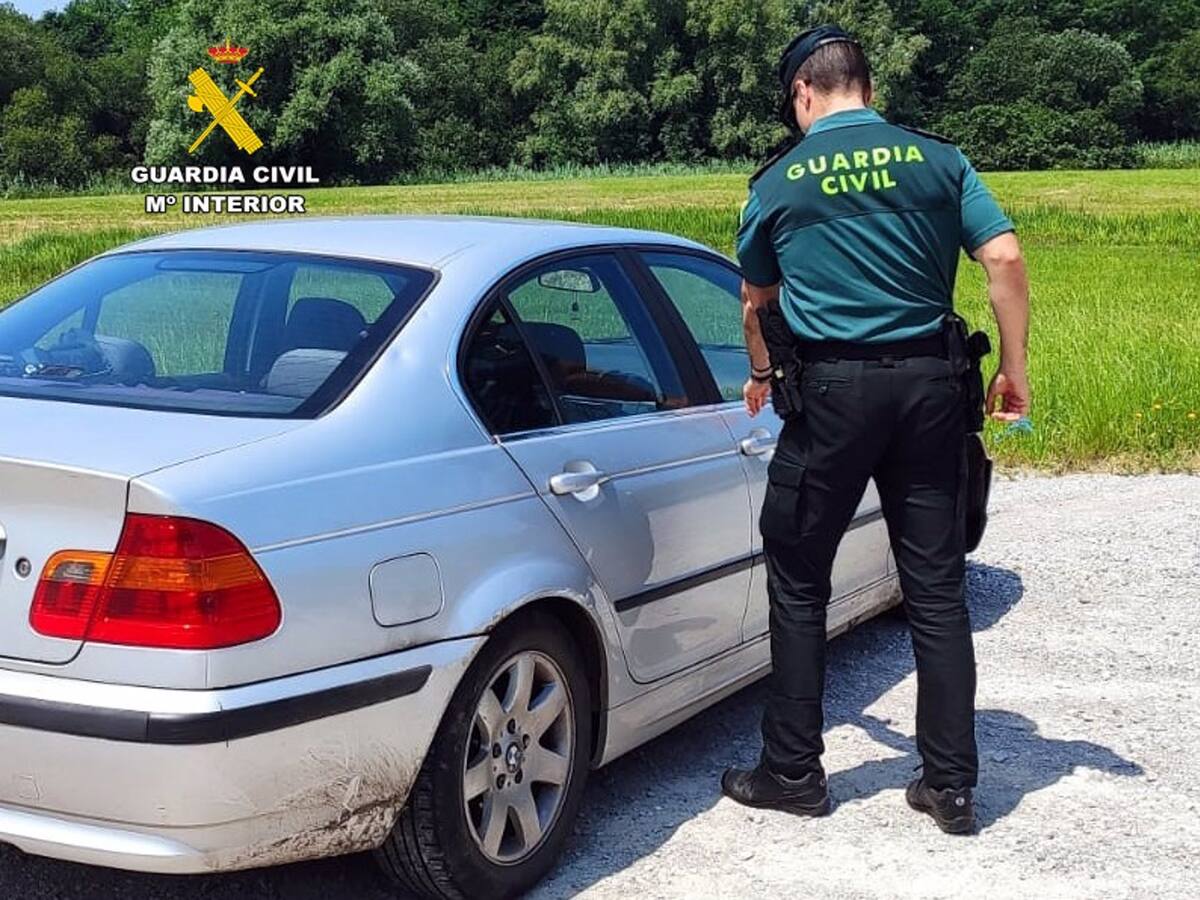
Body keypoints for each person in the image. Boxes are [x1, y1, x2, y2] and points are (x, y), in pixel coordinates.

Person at [720, 25, 1031, 834]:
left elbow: (757, 301)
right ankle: (951, 786)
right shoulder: (939, 160)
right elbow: (1002, 258)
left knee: (798, 578)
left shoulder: (780, 182)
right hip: (932, 388)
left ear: (804, 95)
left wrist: (760, 374)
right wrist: (1014, 372)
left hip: (830, 397)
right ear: (866, 84)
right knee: (935, 588)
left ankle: (792, 773)